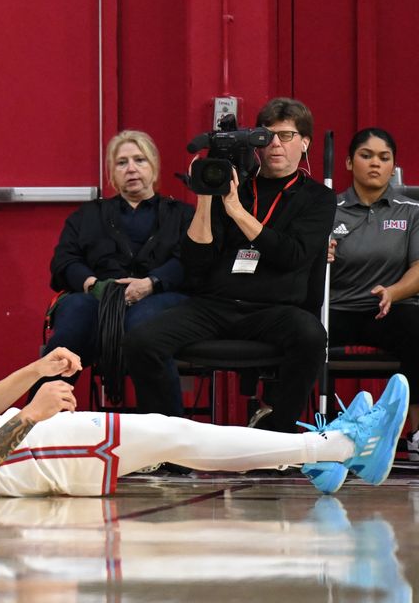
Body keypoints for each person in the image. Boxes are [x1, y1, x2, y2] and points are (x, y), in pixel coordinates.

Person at [0, 283, 409, 497]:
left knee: (173, 435)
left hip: (7, 448)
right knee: (173, 433)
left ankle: (322, 456)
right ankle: (342, 448)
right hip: (12, 461)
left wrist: (32, 373)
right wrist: (28, 417)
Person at [122, 98, 336, 431]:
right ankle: (170, 436)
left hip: (274, 309)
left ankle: (276, 433)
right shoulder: (233, 185)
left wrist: (237, 211)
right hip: (216, 304)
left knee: (311, 337)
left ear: (305, 142)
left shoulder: (318, 198)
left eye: (287, 135)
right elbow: (196, 261)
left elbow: (291, 254)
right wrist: (206, 197)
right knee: (141, 341)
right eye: (267, 136)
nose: (276, 144)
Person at [45, 130, 192, 399]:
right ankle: (36, 419)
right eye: (122, 163)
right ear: (111, 172)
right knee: (76, 311)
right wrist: (93, 285)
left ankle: (164, 426)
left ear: (154, 167)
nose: (132, 169)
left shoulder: (182, 215)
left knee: (143, 322)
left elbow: (193, 262)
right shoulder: (87, 215)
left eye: (140, 160)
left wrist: (151, 283)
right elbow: (64, 261)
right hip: (98, 300)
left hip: (162, 297)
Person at [327, 127, 419, 459]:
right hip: (336, 308)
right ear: (350, 162)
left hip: (387, 309)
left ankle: (416, 434)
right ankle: (282, 427)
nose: (375, 164)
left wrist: (393, 291)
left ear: (393, 164)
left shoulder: (410, 211)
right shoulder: (328, 208)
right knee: (296, 329)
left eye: (384, 157)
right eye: (366, 156)